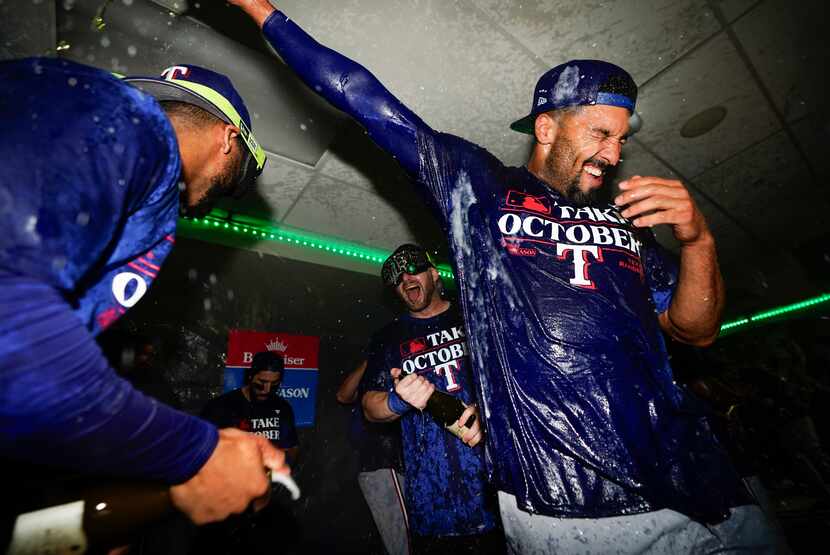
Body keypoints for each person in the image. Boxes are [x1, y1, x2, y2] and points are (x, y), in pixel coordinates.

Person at [229, 1, 776, 552]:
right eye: (600, 133)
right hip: (571, 496)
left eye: (621, 140)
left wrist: (699, 241)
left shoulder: (628, 225)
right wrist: (260, 10)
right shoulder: (481, 187)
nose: (613, 154)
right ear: (546, 126)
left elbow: (696, 331)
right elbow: (364, 98)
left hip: (704, 479)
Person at [0, 55, 284, 536]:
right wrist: (195, 453)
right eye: (236, 184)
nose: (225, 197)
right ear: (228, 140)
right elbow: (16, 344)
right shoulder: (132, 125)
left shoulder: (130, 160)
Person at [361, 244, 503, 554]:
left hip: (497, 494)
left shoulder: (474, 315)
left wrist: (491, 412)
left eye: (413, 270)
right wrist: (397, 401)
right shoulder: (389, 338)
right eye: (398, 278)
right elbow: (369, 406)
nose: (406, 279)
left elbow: (515, 381)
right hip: (431, 507)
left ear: (434, 273)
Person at [336, 359, 409, 555]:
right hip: (378, 465)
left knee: (402, 539)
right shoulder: (370, 376)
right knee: (399, 539)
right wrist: (370, 360)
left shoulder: (396, 378)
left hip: (392, 464)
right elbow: (342, 396)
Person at [202, 351, 300, 463]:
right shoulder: (220, 407)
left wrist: (279, 467)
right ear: (251, 376)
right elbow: (201, 449)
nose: (266, 390)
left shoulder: (283, 408)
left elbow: (291, 448)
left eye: (274, 385)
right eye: (262, 382)